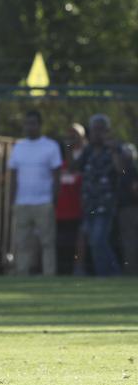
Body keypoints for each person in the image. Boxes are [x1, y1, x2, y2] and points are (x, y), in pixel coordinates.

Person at [7, 110, 62, 275]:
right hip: (22, 202)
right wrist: (13, 201)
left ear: (39, 125)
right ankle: (22, 273)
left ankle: (49, 274)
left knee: (47, 242)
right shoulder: (19, 146)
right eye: (27, 123)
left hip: (44, 202)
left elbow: (57, 176)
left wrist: (54, 199)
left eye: (33, 123)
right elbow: (13, 176)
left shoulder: (51, 146)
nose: (30, 127)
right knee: (22, 242)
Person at [75, 114, 122, 276]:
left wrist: (114, 151)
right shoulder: (87, 151)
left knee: (97, 240)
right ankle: (112, 273)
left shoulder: (115, 149)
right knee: (95, 241)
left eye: (100, 130)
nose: (97, 133)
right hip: (89, 204)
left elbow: (121, 171)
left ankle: (106, 273)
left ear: (107, 131)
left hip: (105, 205)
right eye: (94, 130)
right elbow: (75, 168)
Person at [55, 123, 85, 275]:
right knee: (60, 241)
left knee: (78, 240)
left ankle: (78, 269)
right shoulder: (60, 157)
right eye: (68, 136)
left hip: (80, 207)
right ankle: (61, 269)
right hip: (61, 209)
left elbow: (75, 169)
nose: (71, 139)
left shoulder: (86, 154)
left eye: (75, 135)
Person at [117, 143, 138, 275]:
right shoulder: (129, 169)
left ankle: (131, 271)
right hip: (128, 208)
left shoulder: (131, 169)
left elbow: (134, 189)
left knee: (129, 241)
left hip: (130, 209)